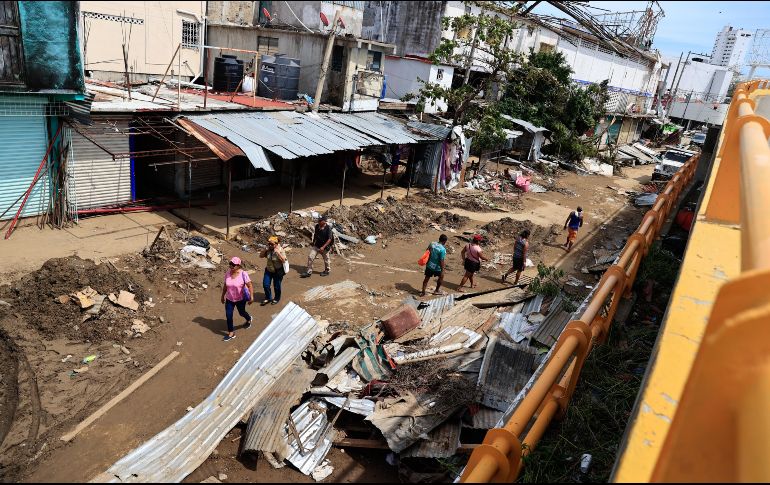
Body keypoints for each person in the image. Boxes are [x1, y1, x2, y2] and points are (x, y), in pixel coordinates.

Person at [219, 256, 254, 342]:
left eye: (233, 265)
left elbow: (250, 285)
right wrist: (222, 295)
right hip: (229, 299)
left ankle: (249, 318)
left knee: (241, 312)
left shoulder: (243, 274)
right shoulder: (228, 273)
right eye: (230, 264)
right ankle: (231, 333)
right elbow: (225, 286)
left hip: (240, 299)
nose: (231, 266)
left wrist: (251, 297)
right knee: (229, 315)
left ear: (238, 266)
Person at [259, 236, 286, 305]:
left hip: (277, 271)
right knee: (266, 285)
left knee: (277, 286)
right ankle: (268, 297)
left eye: (272, 244)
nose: (270, 245)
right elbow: (261, 256)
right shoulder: (268, 249)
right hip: (268, 270)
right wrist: (265, 250)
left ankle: (277, 298)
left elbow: (284, 260)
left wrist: (278, 253)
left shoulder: (280, 250)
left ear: (276, 244)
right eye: (269, 244)